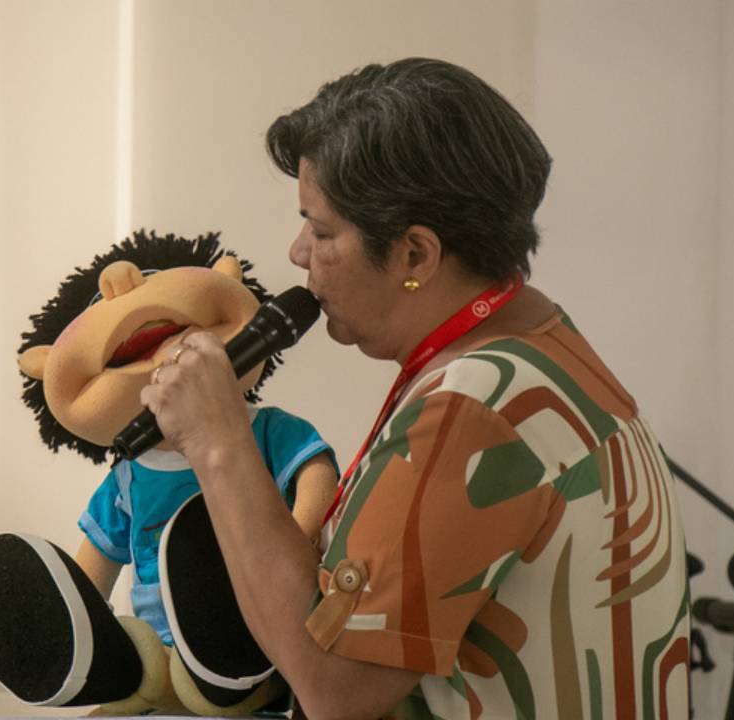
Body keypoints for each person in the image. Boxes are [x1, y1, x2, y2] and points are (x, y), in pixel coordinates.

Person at [140, 59, 690, 719]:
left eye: (321, 230)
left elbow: (336, 689)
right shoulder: (538, 340)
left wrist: (218, 442)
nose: (298, 253)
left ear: (415, 255)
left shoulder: (474, 405)